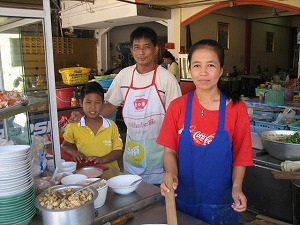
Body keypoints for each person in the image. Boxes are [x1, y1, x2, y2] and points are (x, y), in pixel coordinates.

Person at [157, 39, 253, 225]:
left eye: (211, 65)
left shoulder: (236, 108)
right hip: (183, 199)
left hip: (222, 203)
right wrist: (172, 176)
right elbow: (169, 151)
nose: (203, 72)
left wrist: (237, 188)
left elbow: (241, 156)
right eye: (197, 65)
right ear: (189, 69)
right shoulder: (177, 107)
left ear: (221, 69)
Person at [70, 27, 182, 184]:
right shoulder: (124, 75)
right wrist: (85, 113)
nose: (141, 52)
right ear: (132, 50)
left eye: (146, 47)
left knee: (157, 200)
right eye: (137, 47)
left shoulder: (167, 79)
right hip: (133, 154)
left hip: (160, 155)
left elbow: (176, 119)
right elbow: (109, 106)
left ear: (156, 50)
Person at [62, 81, 123, 171]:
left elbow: (118, 151)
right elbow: (66, 145)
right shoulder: (73, 126)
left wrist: (102, 159)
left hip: (110, 174)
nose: (93, 107)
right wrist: (74, 153)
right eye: (88, 102)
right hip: (85, 174)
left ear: (103, 103)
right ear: (80, 102)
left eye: (97, 102)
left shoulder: (111, 126)